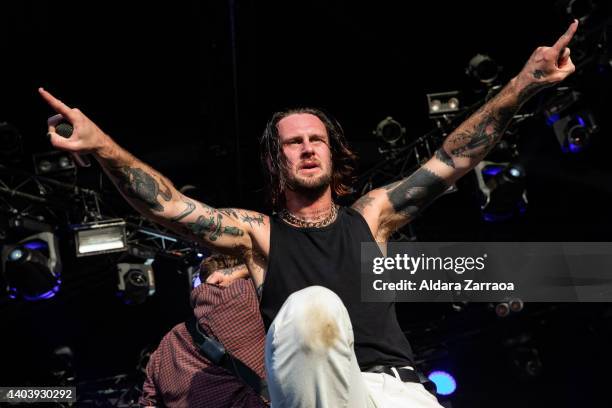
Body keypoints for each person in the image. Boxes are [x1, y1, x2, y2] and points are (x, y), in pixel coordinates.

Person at [40, 20, 578, 407]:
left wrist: (524, 82)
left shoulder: (372, 216)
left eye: (316, 139)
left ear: (332, 150)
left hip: (397, 390)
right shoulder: (257, 235)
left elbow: (451, 160)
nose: (307, 148)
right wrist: (101, 146)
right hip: (314, 392)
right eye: (293, 143)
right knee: (312, 307)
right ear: (279, 160)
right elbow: (172, 209)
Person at [140, 254, 268, 408]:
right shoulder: (246, 296)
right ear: (219, 278)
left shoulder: (166, 345)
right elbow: (281, 260)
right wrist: (240, 271)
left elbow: (148, 404)